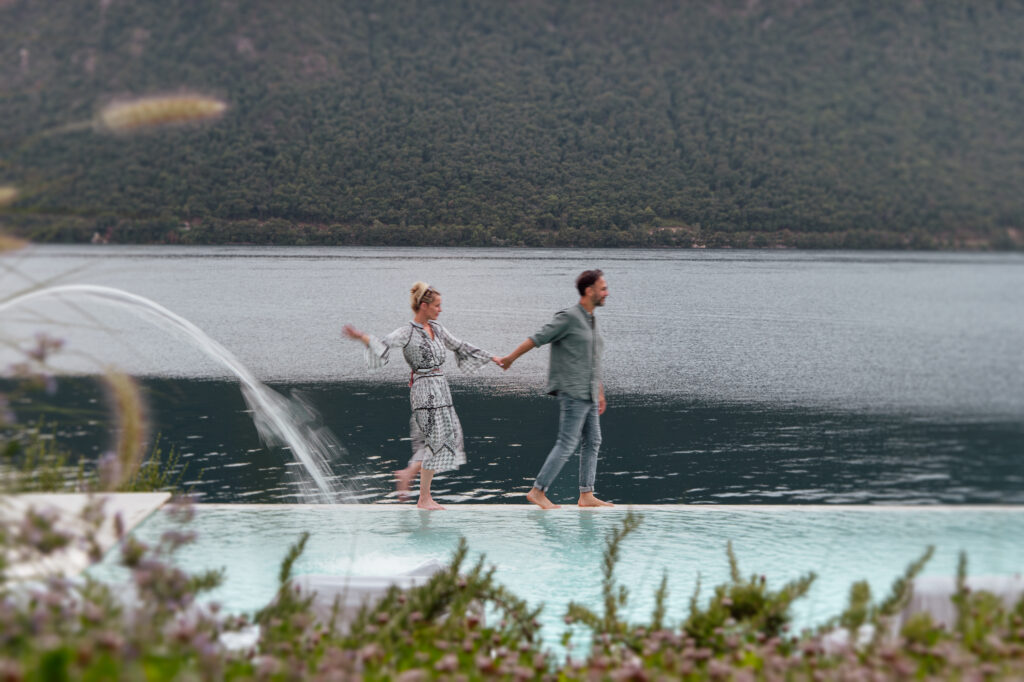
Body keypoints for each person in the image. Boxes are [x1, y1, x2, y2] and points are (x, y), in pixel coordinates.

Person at [343, 282, 500, 510]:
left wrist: (492, 357)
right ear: (424, 306)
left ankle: (409, 476)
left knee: (450, 437)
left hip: (441, 389)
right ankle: (423, 497)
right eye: (437, 305)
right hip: (424, 392)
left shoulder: (437, 329)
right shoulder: (407, 332)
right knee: (436, 440)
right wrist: (362, 337)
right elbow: (384, 345)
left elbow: (459, 346)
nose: (440, 309)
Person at [499, 269, 614, 509]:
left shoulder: (591, 320)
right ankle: (538, 491)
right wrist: (510, 358)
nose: (607, 292)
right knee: (567, 443)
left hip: (590, 392)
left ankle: (586, 495)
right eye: (603, 288)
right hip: (573, 391)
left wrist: (600, 390)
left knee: (593, 441)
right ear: (589, 291)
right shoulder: (569, 317)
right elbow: (537, 338)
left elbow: (591, 358)